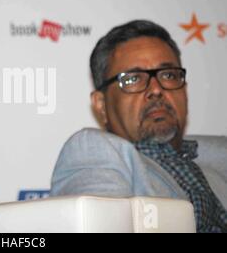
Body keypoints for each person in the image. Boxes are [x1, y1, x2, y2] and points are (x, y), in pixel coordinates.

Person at [50, 20, 226, 233]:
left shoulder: (217, 159)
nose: (156, 90)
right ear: (101, 105)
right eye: (133, 79)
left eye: (169, 75)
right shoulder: (95, 152)